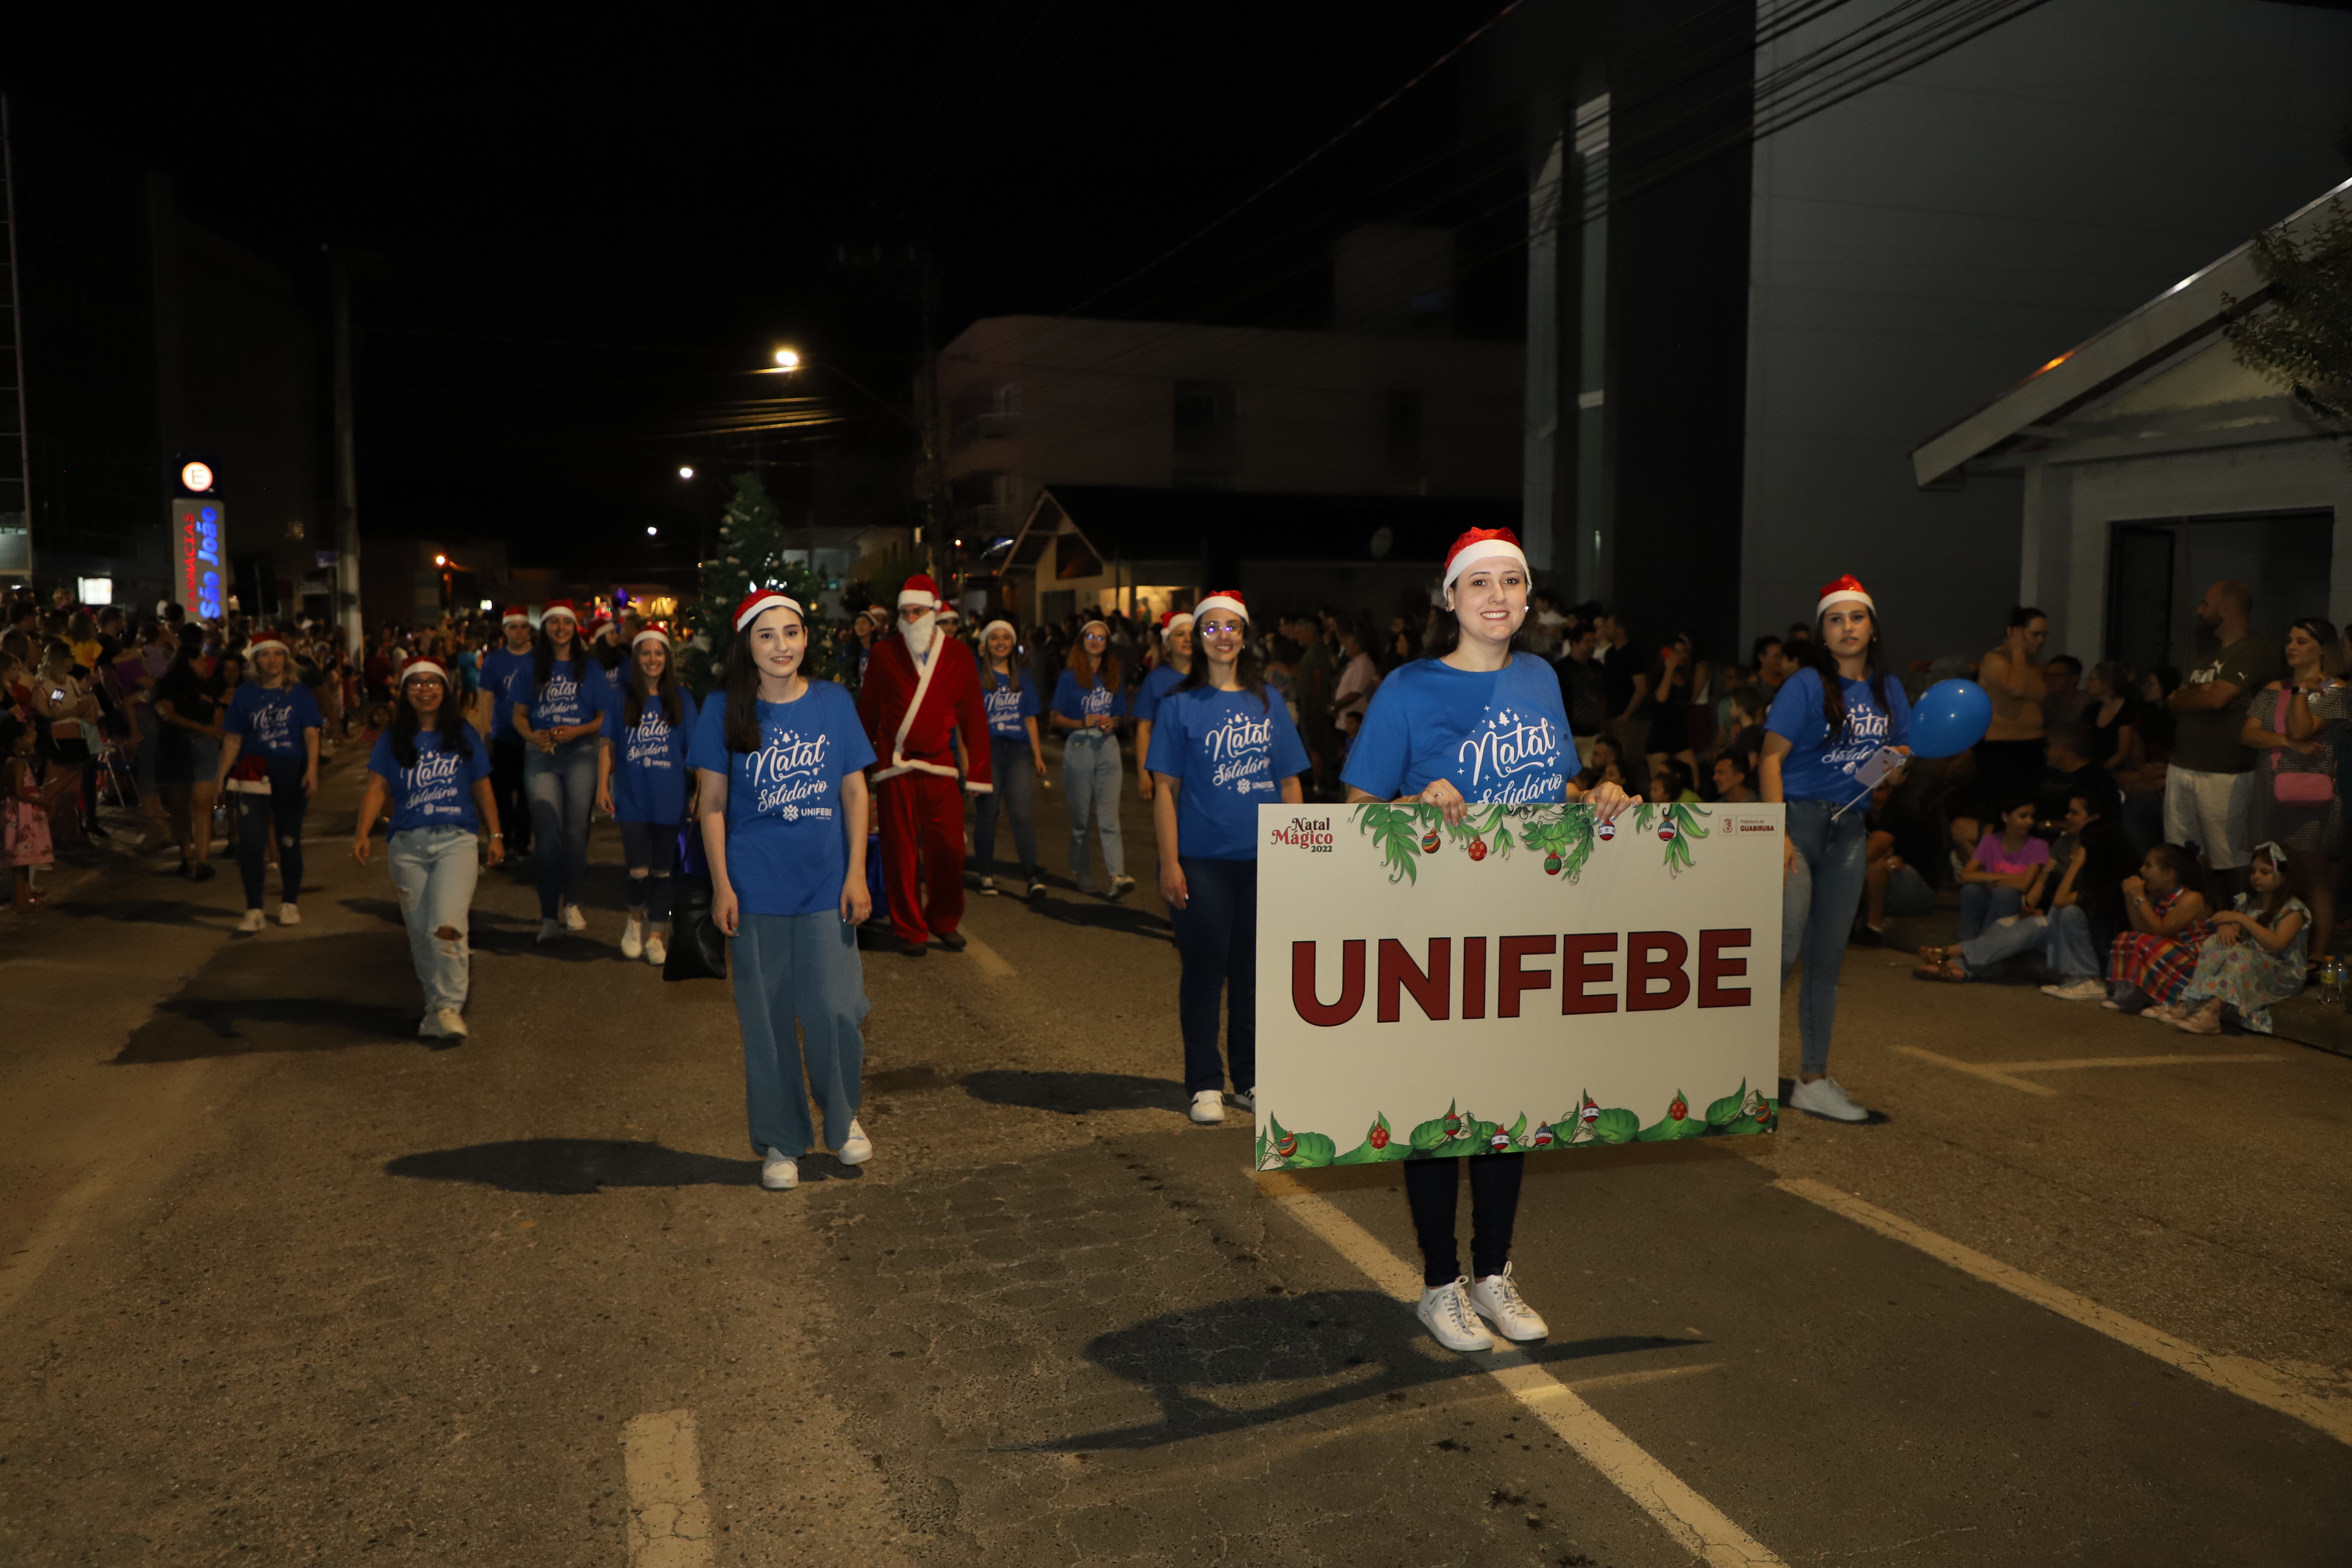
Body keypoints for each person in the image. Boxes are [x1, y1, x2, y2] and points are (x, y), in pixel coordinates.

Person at [1343, 527, 1632, 1357]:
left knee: (1510, 1108)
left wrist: (1597, 795)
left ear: (1528, 598)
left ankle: (1493, 1272)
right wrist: (1413, 802)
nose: (1498, 597)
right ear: (1451, 599)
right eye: (1480, 584)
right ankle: (1440, 1283)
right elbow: (1358, 806)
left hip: (1528, 928)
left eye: (1512, 582)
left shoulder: (1543, 677)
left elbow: (1552, 788)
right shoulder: (1407, 688)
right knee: (1442, 1111)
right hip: (1437, 933)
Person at [689, 590, 877, 1193]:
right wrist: (722, 885)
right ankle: (780, 1141)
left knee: (838, 1011)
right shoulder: (723, 708)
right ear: (747, 644)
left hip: (826, 885)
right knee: (767, 1024)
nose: (781, 646)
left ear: (806, 638)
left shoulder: (832, 702)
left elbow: (855, 792)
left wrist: (856, 873)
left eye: (791, 632)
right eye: (767, 635)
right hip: (755, 886)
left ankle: (843, 1119)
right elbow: (712, 805)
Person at [1147, 591, 1308, 1126]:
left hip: (1263, 861)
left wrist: (1296, 855)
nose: (1222, 636)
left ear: (1244, 635)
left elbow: (1289, 782)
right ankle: (1204, 1083)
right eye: (1210, 628)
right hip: (1202, 862)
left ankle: (1251, 1078)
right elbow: (1165, 789)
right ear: (1198, 638)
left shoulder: (1268, 702)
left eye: (1231, 627)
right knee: (1204, 971)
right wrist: (1170, 863)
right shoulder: (1177, 705)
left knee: (1254, 975)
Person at [1760, 574, 1913, 1124]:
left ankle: (1814, 1080)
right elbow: (1771, 759)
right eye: (1836, 619)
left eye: (1857, 617)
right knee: (1779, 953)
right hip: (1796, 825)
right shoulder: (1804, 685)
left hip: (1850, 830)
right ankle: (1736, 1070)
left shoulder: (1889, 689)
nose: (1847, 628)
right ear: (1824, 633)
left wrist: (1893, 766)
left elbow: (1882, 777)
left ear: (1872, 628)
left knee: (1826, 961)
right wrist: (1775, 832)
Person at [352, 658, 502, 1039]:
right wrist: (362, 832)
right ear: (405, 692)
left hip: (456, 840)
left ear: (445, 689)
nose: (425, 689)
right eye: (416, 683)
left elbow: (482, 787)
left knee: (448, 925)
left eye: (432, 682)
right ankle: (435, 1007)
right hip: (408, 846)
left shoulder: (463, 734)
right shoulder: (394, 737)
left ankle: (451, 1005)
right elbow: (377, 787)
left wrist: (496, 834)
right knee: (421, 933)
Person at [856, 574, 994, 954]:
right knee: (899, 852)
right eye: (906, 612)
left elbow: (974, 718)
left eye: (918, 611)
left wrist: (979, 772)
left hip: (940, 765)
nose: (912, 617)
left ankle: (944, 919)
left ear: (934, 611)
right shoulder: (885, 654)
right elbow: (867, 711)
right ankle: (911, 929)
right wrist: (856, 765)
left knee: (950, 848)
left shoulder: (959, 656)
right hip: (895, 764)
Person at [1914, 786, 2124, 998]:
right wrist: (2032, 906)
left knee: (2032, 921)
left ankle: (1954, 954)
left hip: (2077, 929)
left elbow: (2068, 901)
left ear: (2095, 818)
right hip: (2053, 917)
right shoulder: (2063, 843)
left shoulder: (2102, 853)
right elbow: (2037, 893)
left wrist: (2076, 864)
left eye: (2075, 813)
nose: (2067, 817)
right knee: (2015, 926)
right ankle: (1962, 967)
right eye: (2068, 811)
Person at [2166, 580, 2280, 894]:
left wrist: (2200, 695)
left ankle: (2236, 919)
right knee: (2185, 853)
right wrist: (2195, 695)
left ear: (2227, 609)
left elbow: (2217, 698)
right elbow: (2174, 700)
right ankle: (2196, 917)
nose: (2200, 611)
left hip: (2227, 769)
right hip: (2183, 764)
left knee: (2230, 855)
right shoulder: (2207, 655)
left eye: (2206, 604)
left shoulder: (2256, 650)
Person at [597, 624, 699, 967]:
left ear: (667, 659)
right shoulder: (621, 697)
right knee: (638, 870)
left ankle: (656, 935)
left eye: (659, 653)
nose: (653, 659)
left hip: (669, 798)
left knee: (662, 872)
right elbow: (608, 746)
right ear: (637, 658)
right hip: (632, 798)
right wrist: (602, 785)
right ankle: (634, 922)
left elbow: (695, 752)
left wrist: (700, 790)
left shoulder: (681, 699)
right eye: (646, 653)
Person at [513, 600, 610, 943]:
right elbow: (519, 715)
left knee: (574, 836)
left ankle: (572, 903)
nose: (559, 628)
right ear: (546, 628)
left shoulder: (591, 668)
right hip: (542, 756)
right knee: (547, 836)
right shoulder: (531, 666)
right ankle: (548, 917)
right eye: (553, 623)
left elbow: (603, 718)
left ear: (574, 628)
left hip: (581, 753)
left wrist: (577, 731)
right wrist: (531, 736)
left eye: (565, 623)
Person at [213, 634, 322, 932]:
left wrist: (312, 770)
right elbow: (234, 739)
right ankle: (254, 909)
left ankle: (289, 903)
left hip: (291, 767)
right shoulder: (244, 695)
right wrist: (221, 777)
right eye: (265, 655)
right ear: (255, 661)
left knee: (289, 839)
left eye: (278, 655)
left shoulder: (301, 694)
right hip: (253, 769)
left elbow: (312, 734)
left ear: (285, 659)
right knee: (252, 842)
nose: (272, 661)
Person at [2250, 618, 2339, 962]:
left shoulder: (2336, 689)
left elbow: (2304, 730)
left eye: (2302, 642)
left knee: (2313, 875)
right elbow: (2249, 733)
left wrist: (2302, 690)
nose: (2292, 647)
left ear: (2323, 648)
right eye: (2289, 640)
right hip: (2273, 790)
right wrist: (2287, 741)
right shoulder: (2274, 687)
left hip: (2315, 795)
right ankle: (2274, 947)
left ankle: (2318, 955)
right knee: (2272, 870)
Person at [2167, 842, 2311, 1034]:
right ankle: (2194, 1001)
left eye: (2265, 872)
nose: (2256, 877)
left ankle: (2213, 1011)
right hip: (2249, 963)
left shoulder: (2293, 910)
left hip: (2283, 974)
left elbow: (2276, 945)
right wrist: (2226, 927)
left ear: (2285, 876)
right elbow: (2233, 931)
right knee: (2215, 944)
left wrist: (2242, 919)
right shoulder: (2247, 902)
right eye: (2253, 871)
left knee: (2240, 956)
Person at [1050, 617, 1135, 899]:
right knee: (1081, 819)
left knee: (1110, 816)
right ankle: (1082, 872)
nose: (1096, 641)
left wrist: (1115, 721)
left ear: (1107, 644)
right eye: (1090, 636)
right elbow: (1055, 718)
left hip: (1108, 746)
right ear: (1082, 641)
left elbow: (1121, 714)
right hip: (1079, 746)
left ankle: (1117, 875)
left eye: (1101, 637)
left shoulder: (1113, 674)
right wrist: (1080, 723)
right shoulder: (1069, 676)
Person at [974, 619, 1047, 899]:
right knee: (988, 814)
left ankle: (1032, 876)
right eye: (995, 638)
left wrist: (1038, 756)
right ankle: (985, 874)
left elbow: (1030, 720)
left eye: (1007, 638)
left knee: (1021, 814)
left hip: (1017, 752)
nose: (1001, 643)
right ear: (986, 644)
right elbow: (966, 720)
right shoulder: (978, 677)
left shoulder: (1023, 678)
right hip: (989, 750)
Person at [2103, 843, 2213, 1014]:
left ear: (2169, 874)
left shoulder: (2192, 898)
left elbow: (2162, 931)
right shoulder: (2159, 897)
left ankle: (2170, 1001)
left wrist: (2140, 898)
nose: (2141, 870)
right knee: (2127, 938)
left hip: (2197, 963)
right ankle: (2138, 995)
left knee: (2149, 943)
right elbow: (2140, 930)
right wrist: (2130, 897)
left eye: (2148, 866)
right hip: (2172, 955)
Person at [153, 631, 225, 879]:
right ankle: (187, 856)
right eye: (202, 660)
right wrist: (204, 728)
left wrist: (217, 730)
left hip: (203, 747)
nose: (206, 664)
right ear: (191, 661)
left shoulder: (207, 686)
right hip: (178, 746)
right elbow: (167, 713)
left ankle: (201, 861)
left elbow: (216, 713)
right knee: (181, 806)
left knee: (202, 806)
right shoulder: (167, 685)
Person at [1976, 606, 2049, 810]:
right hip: (2003, 746)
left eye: (2044, 635)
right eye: (2035, 634)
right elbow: (2016, 690)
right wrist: (2016, 651)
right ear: (2016, 632)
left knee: (2031, 805)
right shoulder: (1995, 660)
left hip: (2032, 743)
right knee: (2008, 807)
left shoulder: (2030, 663)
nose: (2041, 641)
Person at [481, 608, 537, 866]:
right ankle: (504, 840)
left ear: (529, 630)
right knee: (503, 794)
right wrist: (485, 732)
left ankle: (523, 842)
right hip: (503, 735)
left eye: (523, 627)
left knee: (529, 793)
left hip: (533, 736)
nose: (518, 632)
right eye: (513, 627)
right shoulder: (494, 661)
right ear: (505, 630)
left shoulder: (539, 659)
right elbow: (486, 698)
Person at [1131, 611, 1193, 804]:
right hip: (1168, 770)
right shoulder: (1156, 680)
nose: (1188, 639)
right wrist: (1143, 775)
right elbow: (1144, 729)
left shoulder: (1212, 678)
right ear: (1168, 642)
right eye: (1180, 634)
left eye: (1192, 634)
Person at [4, 716, 51, 911]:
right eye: (27, 736)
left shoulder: (11, 761)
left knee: (24, 860)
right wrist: (40, 801)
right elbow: (19, 791)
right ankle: (20, 900)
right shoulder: (18, 763)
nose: (31, 739)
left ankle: (27, 897)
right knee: (20, 860)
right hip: (22, 814)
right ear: (18, 740)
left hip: (18, 812)